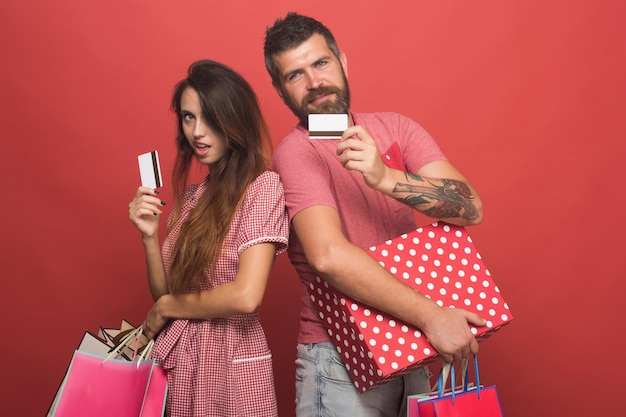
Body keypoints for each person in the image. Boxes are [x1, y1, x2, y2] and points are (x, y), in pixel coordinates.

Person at [264, 12, 486, 417]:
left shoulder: (396, 129)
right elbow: (328, 257)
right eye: (295, 75)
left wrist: (384, 177)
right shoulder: (296, 152)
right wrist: (433, 316)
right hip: (339, 361)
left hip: (413, 348)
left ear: (342, 62)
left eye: (320, 63)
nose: (314, 82)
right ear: (281, 91)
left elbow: (470, 207)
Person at [128, 60, 289, 417]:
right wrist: (149, 238)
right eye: (188, 117)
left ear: (235, 118)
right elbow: (166, 293)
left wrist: (167, 308)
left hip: (233, 360)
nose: (197, 132)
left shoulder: (262, 188)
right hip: (183, 361)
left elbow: (246, 296)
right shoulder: (191, 198)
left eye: (209, 118)